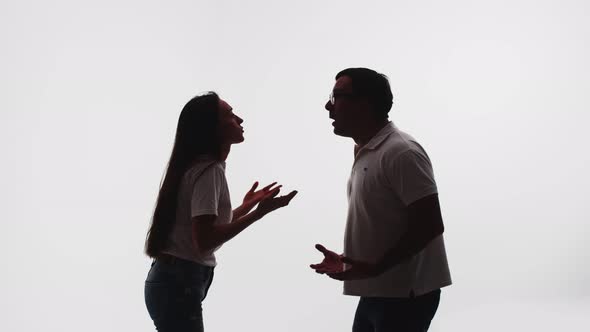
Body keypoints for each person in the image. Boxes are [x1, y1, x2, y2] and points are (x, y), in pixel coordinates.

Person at [310, 68, 451, 332]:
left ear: (365, 104)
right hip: (376, 290)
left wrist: (376, 267)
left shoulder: (401, 151)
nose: (328, 106)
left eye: (337, 96)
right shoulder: (366, 150)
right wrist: (352, 261)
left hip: (405, 296)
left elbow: (430, 224)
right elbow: (383, 220)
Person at [144, 92, 297, 332]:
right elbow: (204, 241)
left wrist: (247, 206)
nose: (240, 119)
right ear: (212, 128)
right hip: (179, 283)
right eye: (229, 115)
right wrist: (258, 214)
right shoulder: (209, 170)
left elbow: (203, 229)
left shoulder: (198, 167)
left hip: (171, 280)